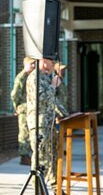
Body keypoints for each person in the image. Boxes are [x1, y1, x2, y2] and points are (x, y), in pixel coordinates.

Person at [26, 58, 69, 195]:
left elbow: (52, 101)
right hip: (39, 124)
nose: (53, 66)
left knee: (52, 157)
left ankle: (55, 187)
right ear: (44, 61)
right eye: (52, 62)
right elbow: (41, 98)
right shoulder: (35, 77)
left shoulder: (45, 76)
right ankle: (39, 190)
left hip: (48, 123)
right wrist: (53, 86)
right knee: (40, 158)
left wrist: (65, 114)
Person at [10, 57, 34, 166]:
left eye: (34, 64)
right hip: (24, 109)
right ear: (25, 64)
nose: (33, 66)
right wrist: (17, 107)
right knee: (24, 133)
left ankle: (27, 154)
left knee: (29, 132)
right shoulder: (22, 77)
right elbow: (15, 94)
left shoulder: (31, 76)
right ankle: (24, 156)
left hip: (30, 108)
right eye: (31, 64)